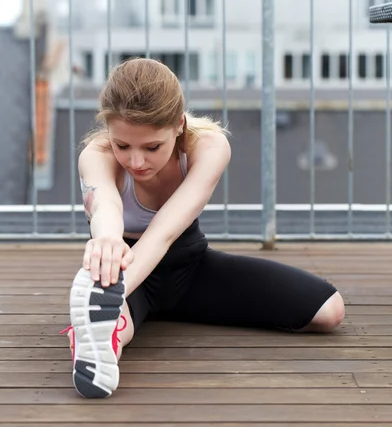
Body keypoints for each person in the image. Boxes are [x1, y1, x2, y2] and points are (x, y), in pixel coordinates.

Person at [62, 57, 345, 399]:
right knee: (112, 328)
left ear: (178, 125)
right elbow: (106, 206)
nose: (135, 161)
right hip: (124, 273)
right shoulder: (96, 155)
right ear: (109, 131)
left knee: (329, 310)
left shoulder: (209, 147)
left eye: (152, 147)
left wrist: (112, 289)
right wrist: (107, 243)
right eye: (123, 145)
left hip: (188, 269)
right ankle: (101, 332)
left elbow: (165, 232)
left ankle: (103, 313)